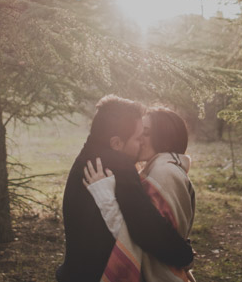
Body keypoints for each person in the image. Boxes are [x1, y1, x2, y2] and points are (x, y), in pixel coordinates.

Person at [57, 96, 194, 282]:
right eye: (138, 138)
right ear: (116, 143)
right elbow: (147, 229)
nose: (141, 143)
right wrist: (184, 255)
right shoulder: (118, 165)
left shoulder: (88, 156)